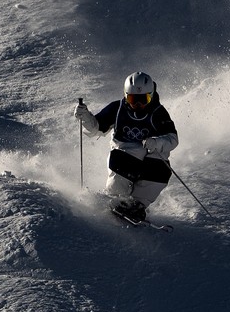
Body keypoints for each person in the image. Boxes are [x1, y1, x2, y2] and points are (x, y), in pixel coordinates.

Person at [75, 70, 178, 221]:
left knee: (161, 170)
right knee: (122, 161)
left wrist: (157, 142)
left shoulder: (158, 113)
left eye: (144, 99)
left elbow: (172, 138)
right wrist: (85, 117)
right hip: (124, 154)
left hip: (150, 156)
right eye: (132, 99)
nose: (138, 105)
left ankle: (138, 205)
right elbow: (97, 127)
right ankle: (116, 200)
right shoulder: (118, 109)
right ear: (125, 95)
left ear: (151, 95)